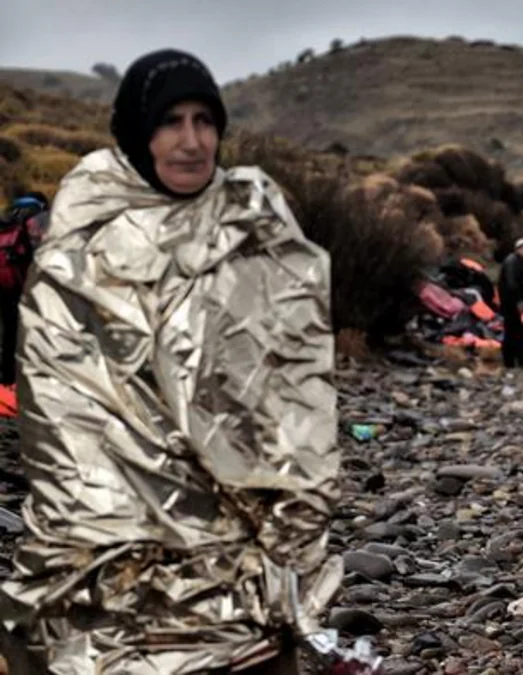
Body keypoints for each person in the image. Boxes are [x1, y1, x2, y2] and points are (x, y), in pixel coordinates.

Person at [0, 49, 340, 675]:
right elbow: (61, 413)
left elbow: (293, 388)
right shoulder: (84, 239)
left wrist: (289, 530)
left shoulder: (251, 221)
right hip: (116, 553)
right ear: (137, 131)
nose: (192, 141)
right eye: (171, 122)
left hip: (250, 551)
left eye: (205, 120)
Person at [0, 192, 48, 385]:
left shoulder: (7, 215)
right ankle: (33, 378)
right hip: (26, 283)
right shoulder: (38, 217)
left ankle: (8, 378)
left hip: (4, 281)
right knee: (34, 329)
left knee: (9, 330)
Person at [499, 237, 523, 367]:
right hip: (511, 304)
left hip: (517, 304)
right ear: (517, 249)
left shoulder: (522, 263)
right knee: (512, 331)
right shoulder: (512, 262)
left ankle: (519, 359)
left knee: (517, 331)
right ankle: (511, 361)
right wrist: (519, 302)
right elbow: (511, 284)